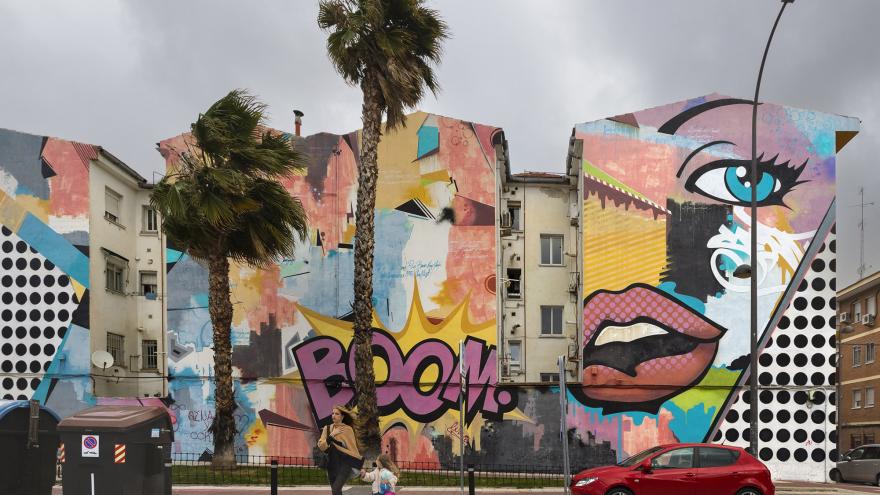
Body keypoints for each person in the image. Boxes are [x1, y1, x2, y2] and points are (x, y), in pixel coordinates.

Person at [317, 405, 363, 495]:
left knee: (336, 489)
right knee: (335, 491)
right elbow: (322, 447)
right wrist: (331, 435)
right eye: (333, 413)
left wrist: (359, 465)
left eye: (337, 414)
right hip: (331, 463)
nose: (333, 415)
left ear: (342, 416)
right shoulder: (327, 429)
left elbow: (353, 449)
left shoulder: (347, 429)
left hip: (345, 464)